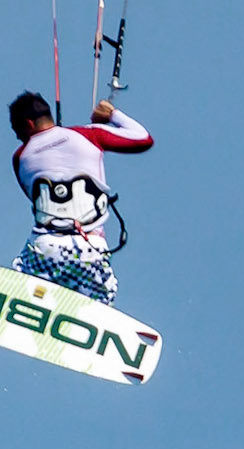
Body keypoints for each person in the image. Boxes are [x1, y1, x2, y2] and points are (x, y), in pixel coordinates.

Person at [8, 91, 153, 305]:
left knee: (26, 273)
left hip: (45, 250)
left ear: (28, 124)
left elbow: (36, 198)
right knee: (101, 298)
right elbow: (143, 139)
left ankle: (31, 303)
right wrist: (111, 114)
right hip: (89, 251)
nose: (17, 137)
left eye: (17, 130)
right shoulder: (89, 135)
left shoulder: (20, 157)